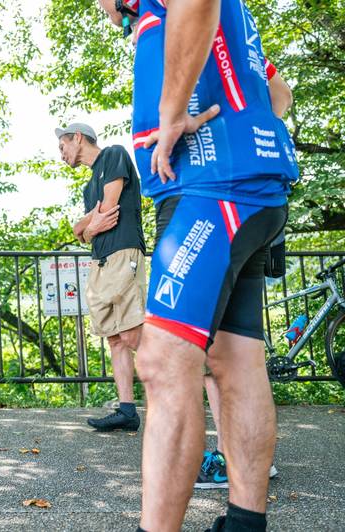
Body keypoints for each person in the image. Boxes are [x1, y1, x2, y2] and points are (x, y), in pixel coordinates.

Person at [97, 0, 299, 530]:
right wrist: (246, 130)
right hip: (249, 190)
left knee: (161, 363)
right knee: (236, 360)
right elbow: (279, 94)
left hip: (210, 190)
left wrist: (171, 115)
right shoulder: (231, 23)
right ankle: (244, 524)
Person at [196, 58, 294, 490]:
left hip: (219, 196)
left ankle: (224, 458)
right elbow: (283, 94)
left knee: (201, 351)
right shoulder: (247, 48)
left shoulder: (189, 35)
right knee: (242, 349)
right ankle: (253, 461)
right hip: (264, 199)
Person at [57, 122, 147, 432]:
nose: (61, 154)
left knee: (132, 334)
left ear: (78, 137)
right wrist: (86, 226)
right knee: (115, 338)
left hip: (124, 253)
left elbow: (108, 209)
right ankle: (127, 411)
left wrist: (86, 226)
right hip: (101, 262)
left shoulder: (113, 155)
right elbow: (85, 233)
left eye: (62, 147)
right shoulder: (88, 188)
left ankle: (184, 382)